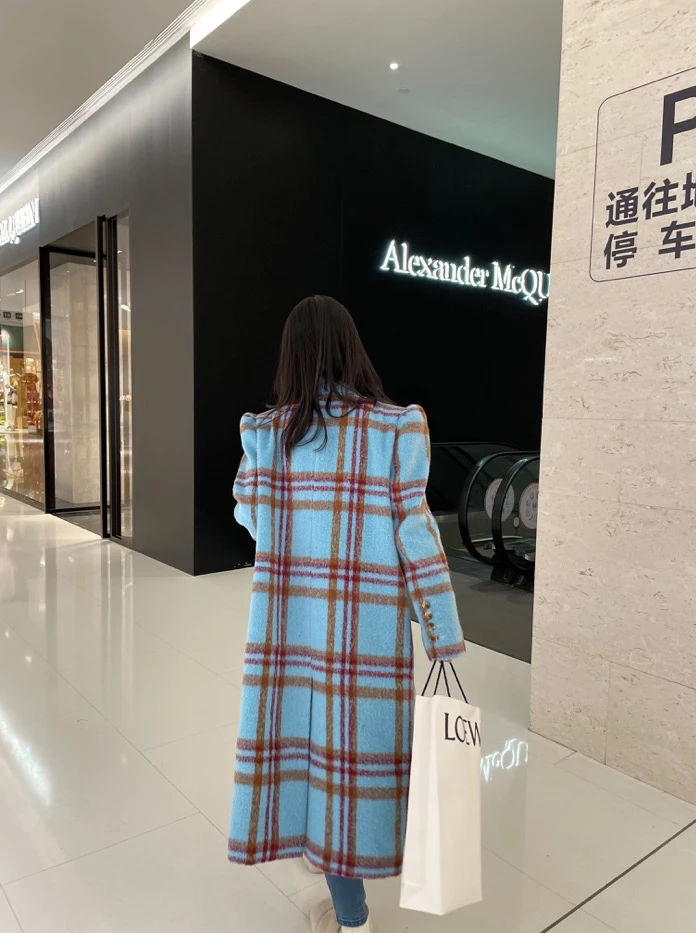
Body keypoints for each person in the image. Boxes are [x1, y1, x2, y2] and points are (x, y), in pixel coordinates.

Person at [229, 296, 465, 932]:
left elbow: (249, 516)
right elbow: (417, 534)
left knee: (301, 755)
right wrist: (442, 633)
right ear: (351, 349)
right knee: (349, 766)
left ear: (292, 356)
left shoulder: (266, 435)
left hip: (288, 633)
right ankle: (349, 904)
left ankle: (350, 914)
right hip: (366, 637)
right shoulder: (395, 429)